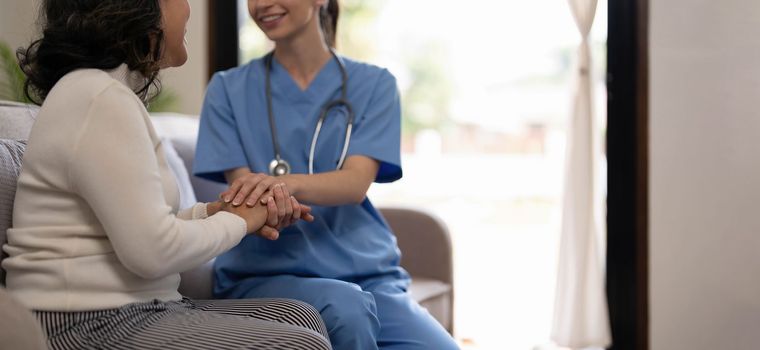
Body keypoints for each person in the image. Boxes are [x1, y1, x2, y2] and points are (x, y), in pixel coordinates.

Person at [2, 1, 332, 349]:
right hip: (78, 321)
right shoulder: (97, 98)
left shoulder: (103, 93)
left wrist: (214, 213)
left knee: (301, 316)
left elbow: (142, 226)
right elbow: (152, 252)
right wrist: (242, 221)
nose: (188, 7)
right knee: (301, 344)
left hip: (133, 308)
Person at [193, 0, 459, 349]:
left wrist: (282, 185)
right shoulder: (226, 90)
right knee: (346, 309)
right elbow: (246, 196)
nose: (261, 4)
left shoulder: (374, 85)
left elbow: (353, 184)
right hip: (264, 274)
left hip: (368, 275)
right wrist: (271, 195)